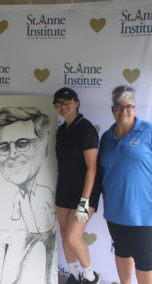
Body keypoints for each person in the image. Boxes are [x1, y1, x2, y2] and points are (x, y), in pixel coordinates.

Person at [98, 86, 152, 284]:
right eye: (119, 106)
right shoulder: (107, 137)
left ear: (135, 108)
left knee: (144, 257)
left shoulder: (150, 132)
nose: (124, 111)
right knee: (122, 252)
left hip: (144, 210)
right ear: (112, 110)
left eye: (129, 106)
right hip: (115, 209)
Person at [0, 106, 56, 284]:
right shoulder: (18, 198)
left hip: (47, 236)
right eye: (3, 147)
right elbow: (13, 222)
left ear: (44, 146)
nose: (12, 155)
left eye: (22, 144)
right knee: (20, 265)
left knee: (47, 268)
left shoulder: (45, 192)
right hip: (29, 236)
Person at [53, 88, 100, 284]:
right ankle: (73, 275)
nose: (63, 107)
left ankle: (90, 276)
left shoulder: (85, 128)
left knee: (73, 238)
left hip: (85, 192)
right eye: (59, 104)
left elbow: (92, 168)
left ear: (77, 103)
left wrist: (84, 201)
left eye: (67, 102)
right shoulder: (61, 130)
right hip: (64, 189)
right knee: (64, 235)